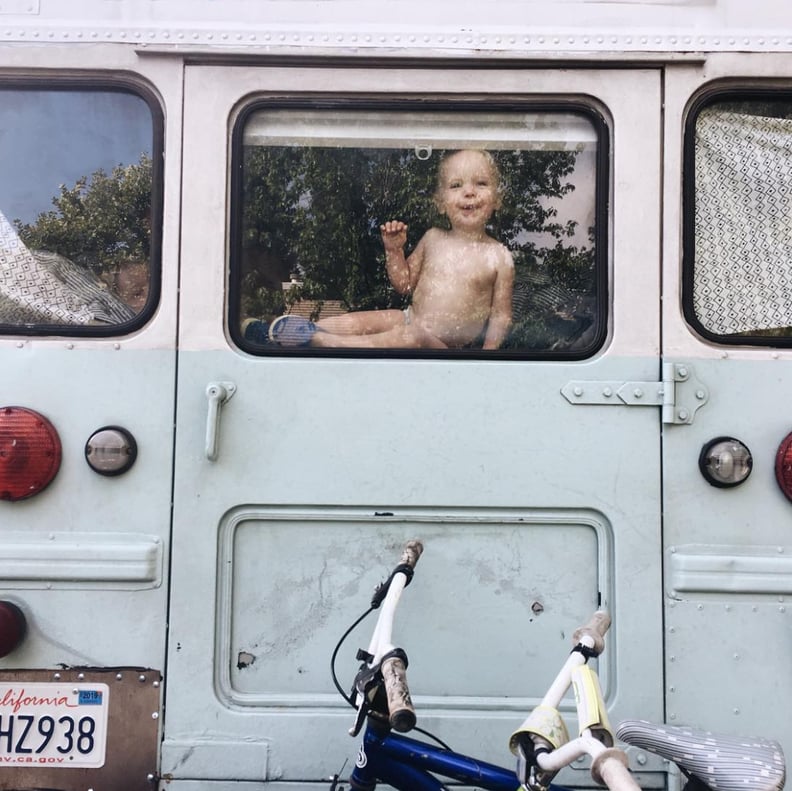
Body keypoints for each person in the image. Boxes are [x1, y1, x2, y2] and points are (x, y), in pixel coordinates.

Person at [267, 149, 514, 349]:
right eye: (456, 185)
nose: (469, 192)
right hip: (410, 317)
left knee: (413, 336)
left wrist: (486, 357)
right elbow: (404, 284)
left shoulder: (499, 255)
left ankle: (325, 343)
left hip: (440, 345)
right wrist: (394, 251)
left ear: (498, 200)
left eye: (481, 183)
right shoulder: (433, 238)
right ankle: (297, 331)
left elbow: (501, 316)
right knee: (359, 321)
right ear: (440, 203)